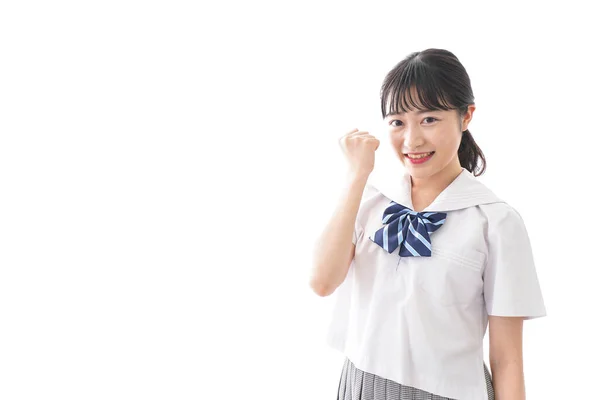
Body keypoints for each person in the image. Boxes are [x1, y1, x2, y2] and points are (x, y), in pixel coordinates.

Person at [309, 48, 547, 400]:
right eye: (397, 122)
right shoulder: (370, 200)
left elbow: (507, 359)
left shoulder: (495, 222)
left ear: (466, 116)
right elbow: (322, 282)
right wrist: (357, 174)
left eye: (429, 119)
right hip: (360, 386)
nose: (412, 140)